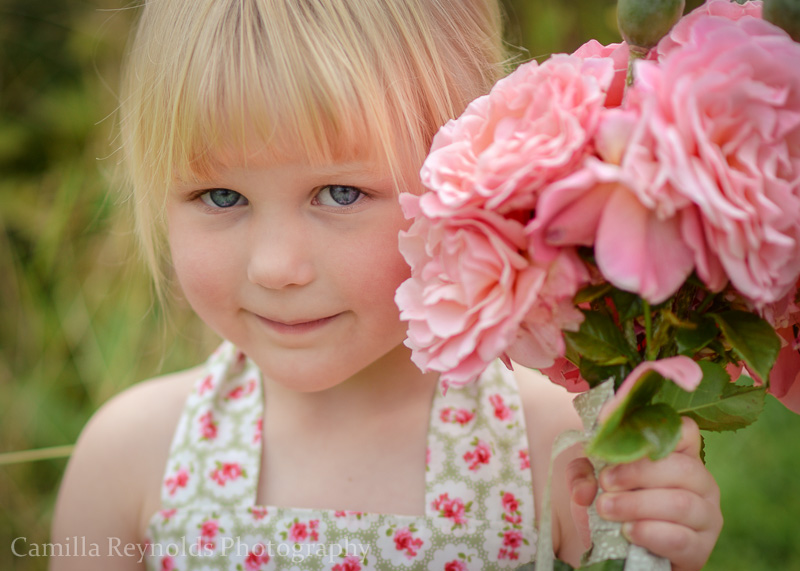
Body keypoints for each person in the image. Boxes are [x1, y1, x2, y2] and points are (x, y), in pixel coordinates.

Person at [50, 1, 722, 569]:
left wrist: (655, 543)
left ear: (463, 171)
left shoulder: (558, 451)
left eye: (339, 192)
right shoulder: (130, 460)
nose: (275, 266)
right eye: (221, 196)